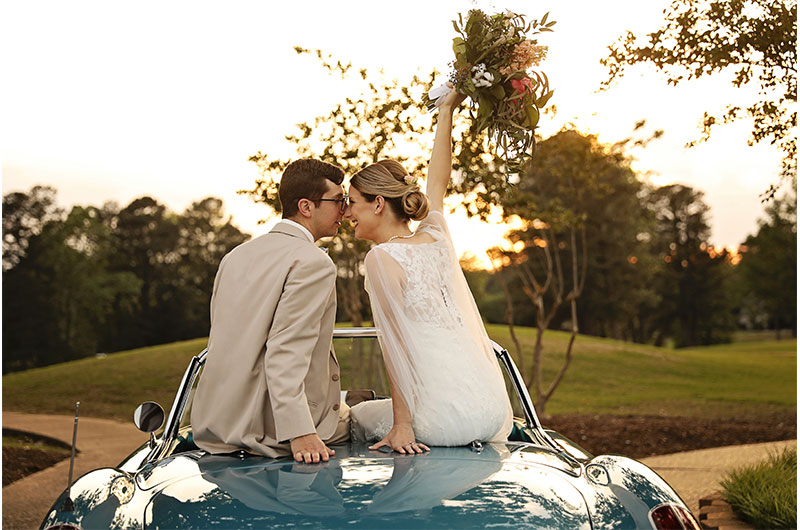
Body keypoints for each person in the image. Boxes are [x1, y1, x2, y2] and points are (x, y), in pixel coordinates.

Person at [345, 89, 513, 453]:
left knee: (356, 416)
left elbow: (395, 347)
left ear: (377, 204)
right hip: (490, 409)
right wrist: (447, 110)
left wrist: (403, 425)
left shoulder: (380, 259)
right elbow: (438, 178)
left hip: (439, 420)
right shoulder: (436, 236)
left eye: (352, 203)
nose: (346, 214)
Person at [192, 158, 350, 464]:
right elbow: (286, 350)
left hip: (218, 429)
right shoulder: (312, 262)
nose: (344, 210)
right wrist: (300, 431)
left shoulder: (235, 256)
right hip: (272, 435)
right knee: (376, 420)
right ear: (306, 207)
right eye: (338, 201)